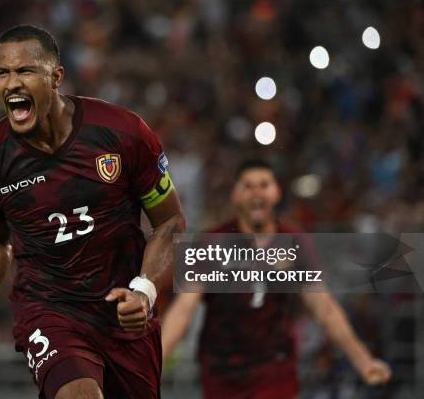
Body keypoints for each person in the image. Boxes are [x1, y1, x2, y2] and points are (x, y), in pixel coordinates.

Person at [0, 24, 185, 399]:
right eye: (2, 73)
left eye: (24, 71)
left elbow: (169, 222)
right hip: (49, 309)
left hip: (124, 313)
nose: (11, 84)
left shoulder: (123, 133)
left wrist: (144, 291)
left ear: (56, 77)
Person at [162, 159, 391, 398]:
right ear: (235, 195)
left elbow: (324, 307)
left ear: (276, 192)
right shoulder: (210, 243)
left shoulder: (295, 242)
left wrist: (363, 360)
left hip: (275, 372)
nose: (257, 193)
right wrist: (152, 367)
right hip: (221, 373)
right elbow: (183, 311)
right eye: (248, 186)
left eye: (264, 184)